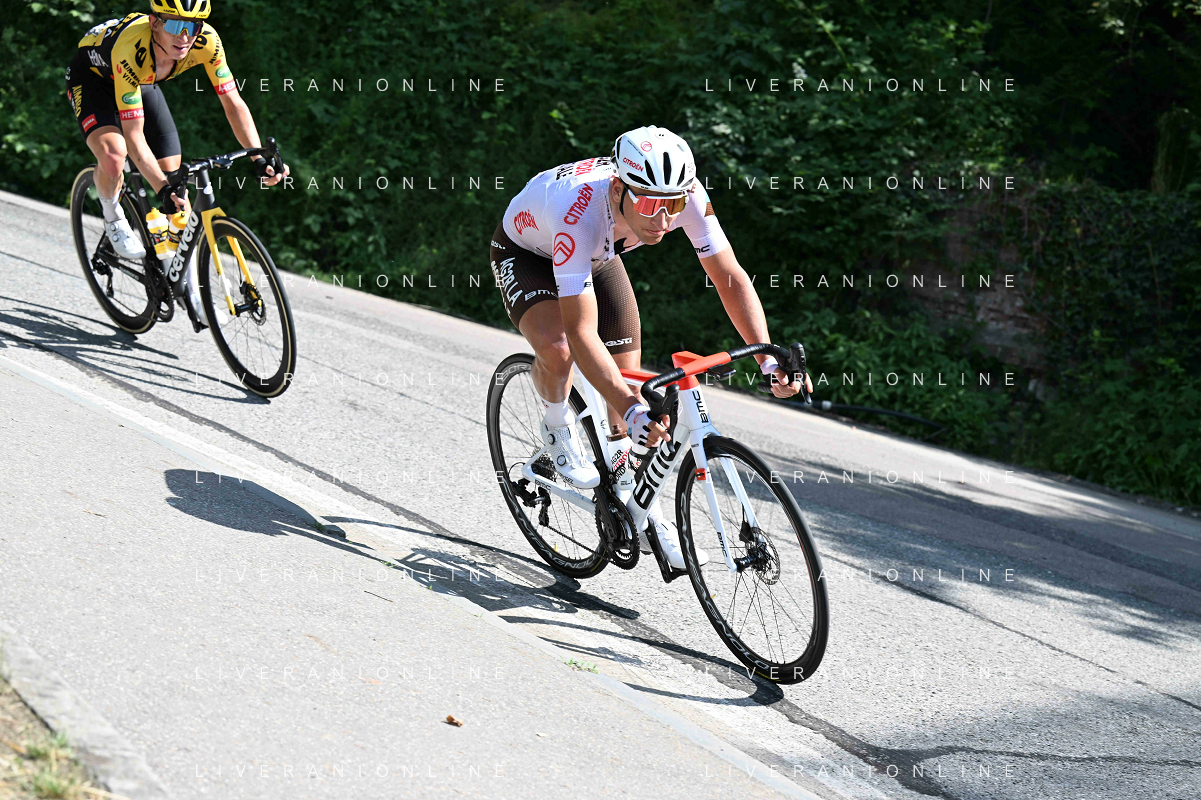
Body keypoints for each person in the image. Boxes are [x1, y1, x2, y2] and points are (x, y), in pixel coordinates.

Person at [491, 125, 813, 569]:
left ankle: (640, 507)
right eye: (648, 204)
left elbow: (729, 277)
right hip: (528, 253)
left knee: (626, 381)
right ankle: (556, 424)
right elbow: (582, 334)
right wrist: (629, 407)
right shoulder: (578, 212)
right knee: (561, 347)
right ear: (618, 188)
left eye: (672, 206)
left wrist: (767, 357)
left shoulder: (686, 194)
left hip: (597, 256)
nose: (662, 220)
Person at [65, 0, 288, 260]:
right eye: (174, 25)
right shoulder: (131, 49)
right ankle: (113, 216)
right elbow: (134, 137)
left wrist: (259, 156)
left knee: (176, 183)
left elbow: (233, 104)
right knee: (114, 155)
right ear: (154, 23)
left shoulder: (207, 41)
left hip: (140, 81)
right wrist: (161, 189)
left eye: (193, 26)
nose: (184, 37)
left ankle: (183, 274)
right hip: (94, 80)